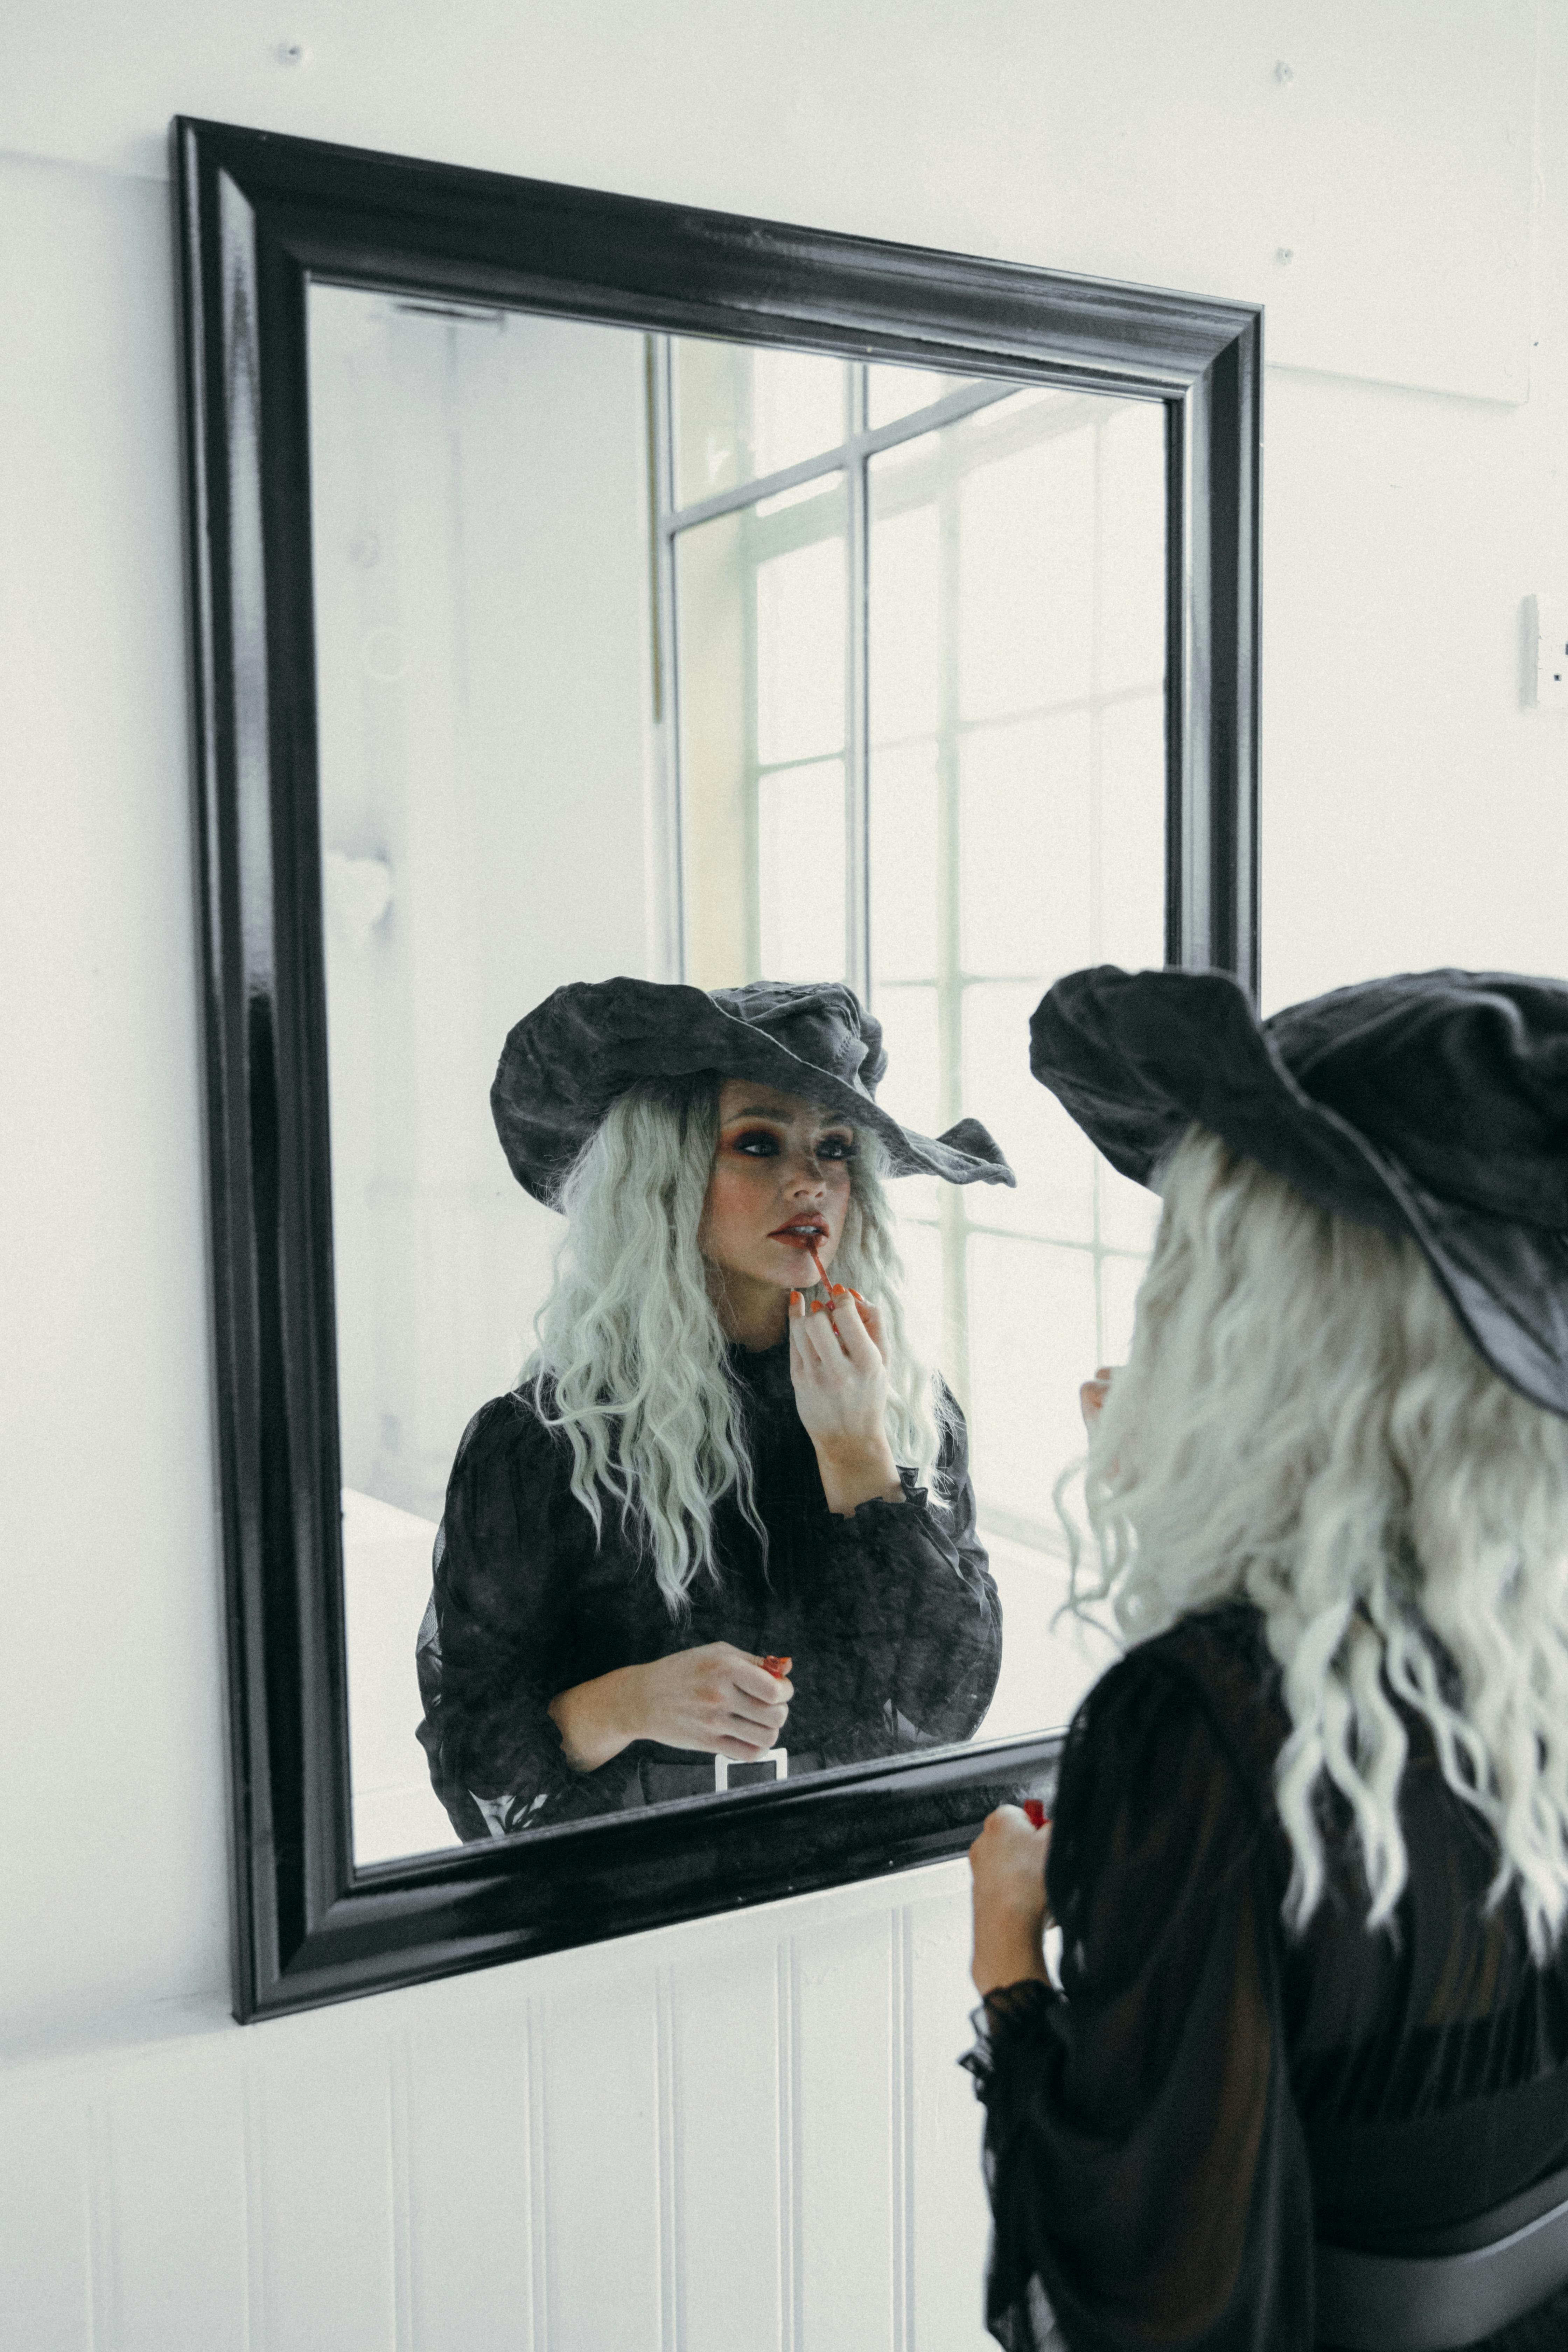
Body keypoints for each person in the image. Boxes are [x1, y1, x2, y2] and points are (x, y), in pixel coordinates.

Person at [964, 963, 1568, 2351]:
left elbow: (1153, 2294)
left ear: (1263, 1316)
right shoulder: (1527, 1654)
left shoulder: (1207, 1722)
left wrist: (1010, 1960)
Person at [416, 975, 1013, 1838]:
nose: (811, 1182)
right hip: (640, 1912)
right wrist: (627, 1703)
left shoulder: (906, 1407)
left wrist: (856, 1453)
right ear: (664, 1175)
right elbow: (472, 1754)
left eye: (836, 1148)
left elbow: (948, 1704)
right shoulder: (542, 1444)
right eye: (760, 1144)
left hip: (852, 1894)